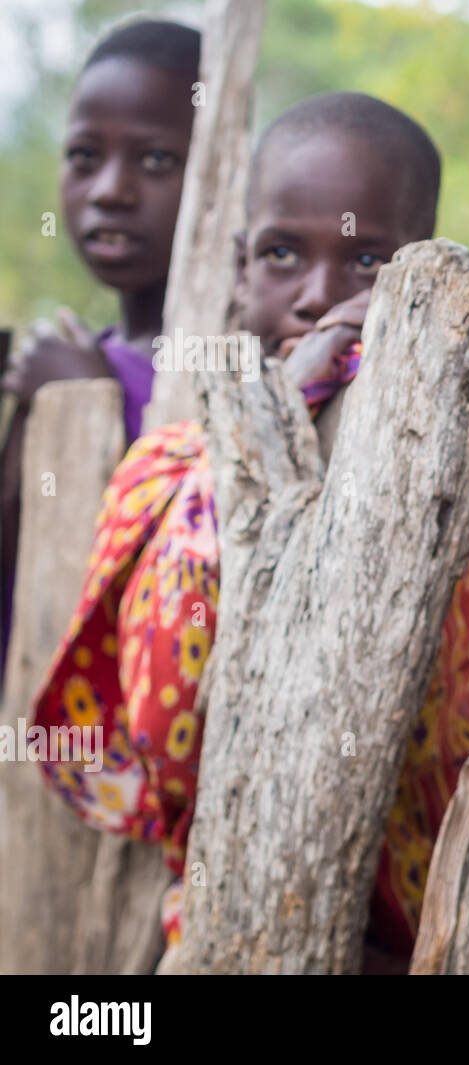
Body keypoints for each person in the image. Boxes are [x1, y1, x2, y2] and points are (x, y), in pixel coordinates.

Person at [30, 92, 469, 969]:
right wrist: (280, 420)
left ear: (423, 273)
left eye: (367, 260)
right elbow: (162, 737)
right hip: (236, 919)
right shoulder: (169, 471)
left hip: (445, 932)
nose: (319, 297)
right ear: (240, 270)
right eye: (283, 254)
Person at [0, 19, 200, 676]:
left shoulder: (234, 366)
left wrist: (92, 403)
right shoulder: (72, 354)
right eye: (85, 156)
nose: (110, 190)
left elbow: (185, 557)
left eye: (156, 161)